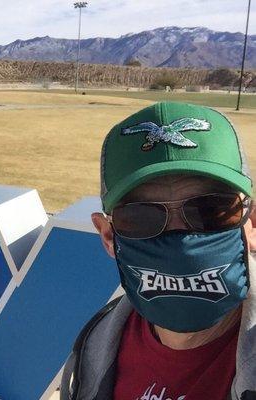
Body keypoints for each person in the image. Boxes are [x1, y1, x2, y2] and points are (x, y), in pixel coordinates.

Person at [61, 102, 255, 399]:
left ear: (251, 222)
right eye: (141, 217)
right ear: (108, 236)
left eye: (209, 210)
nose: (181, 243)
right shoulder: (93, 345)